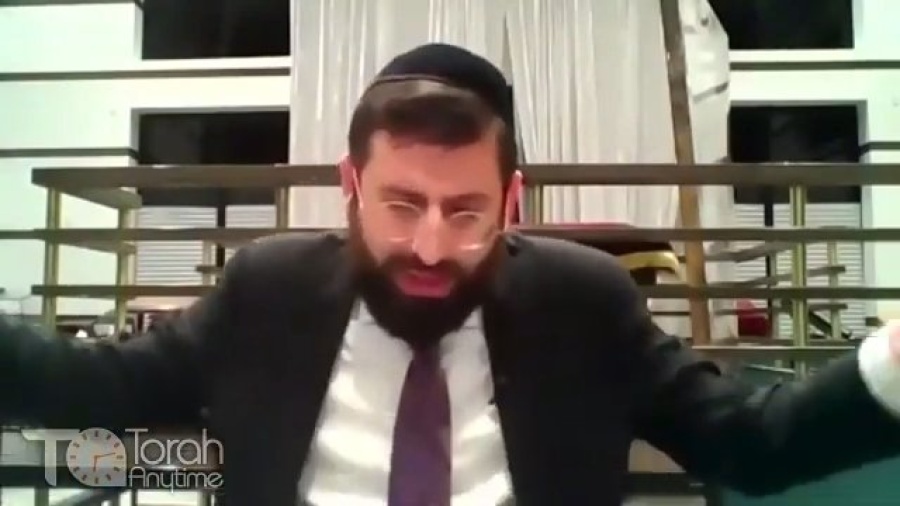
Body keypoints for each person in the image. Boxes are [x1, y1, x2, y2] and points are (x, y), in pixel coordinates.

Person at [2, 43, 900, 506]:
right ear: (350, 186)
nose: (431, 247)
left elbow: (748, 441)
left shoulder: (582, 303)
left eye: (466, 211)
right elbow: (98, 386)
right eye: (401, 205)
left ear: (513, 199)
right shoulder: (268, 290)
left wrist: (893, 364)